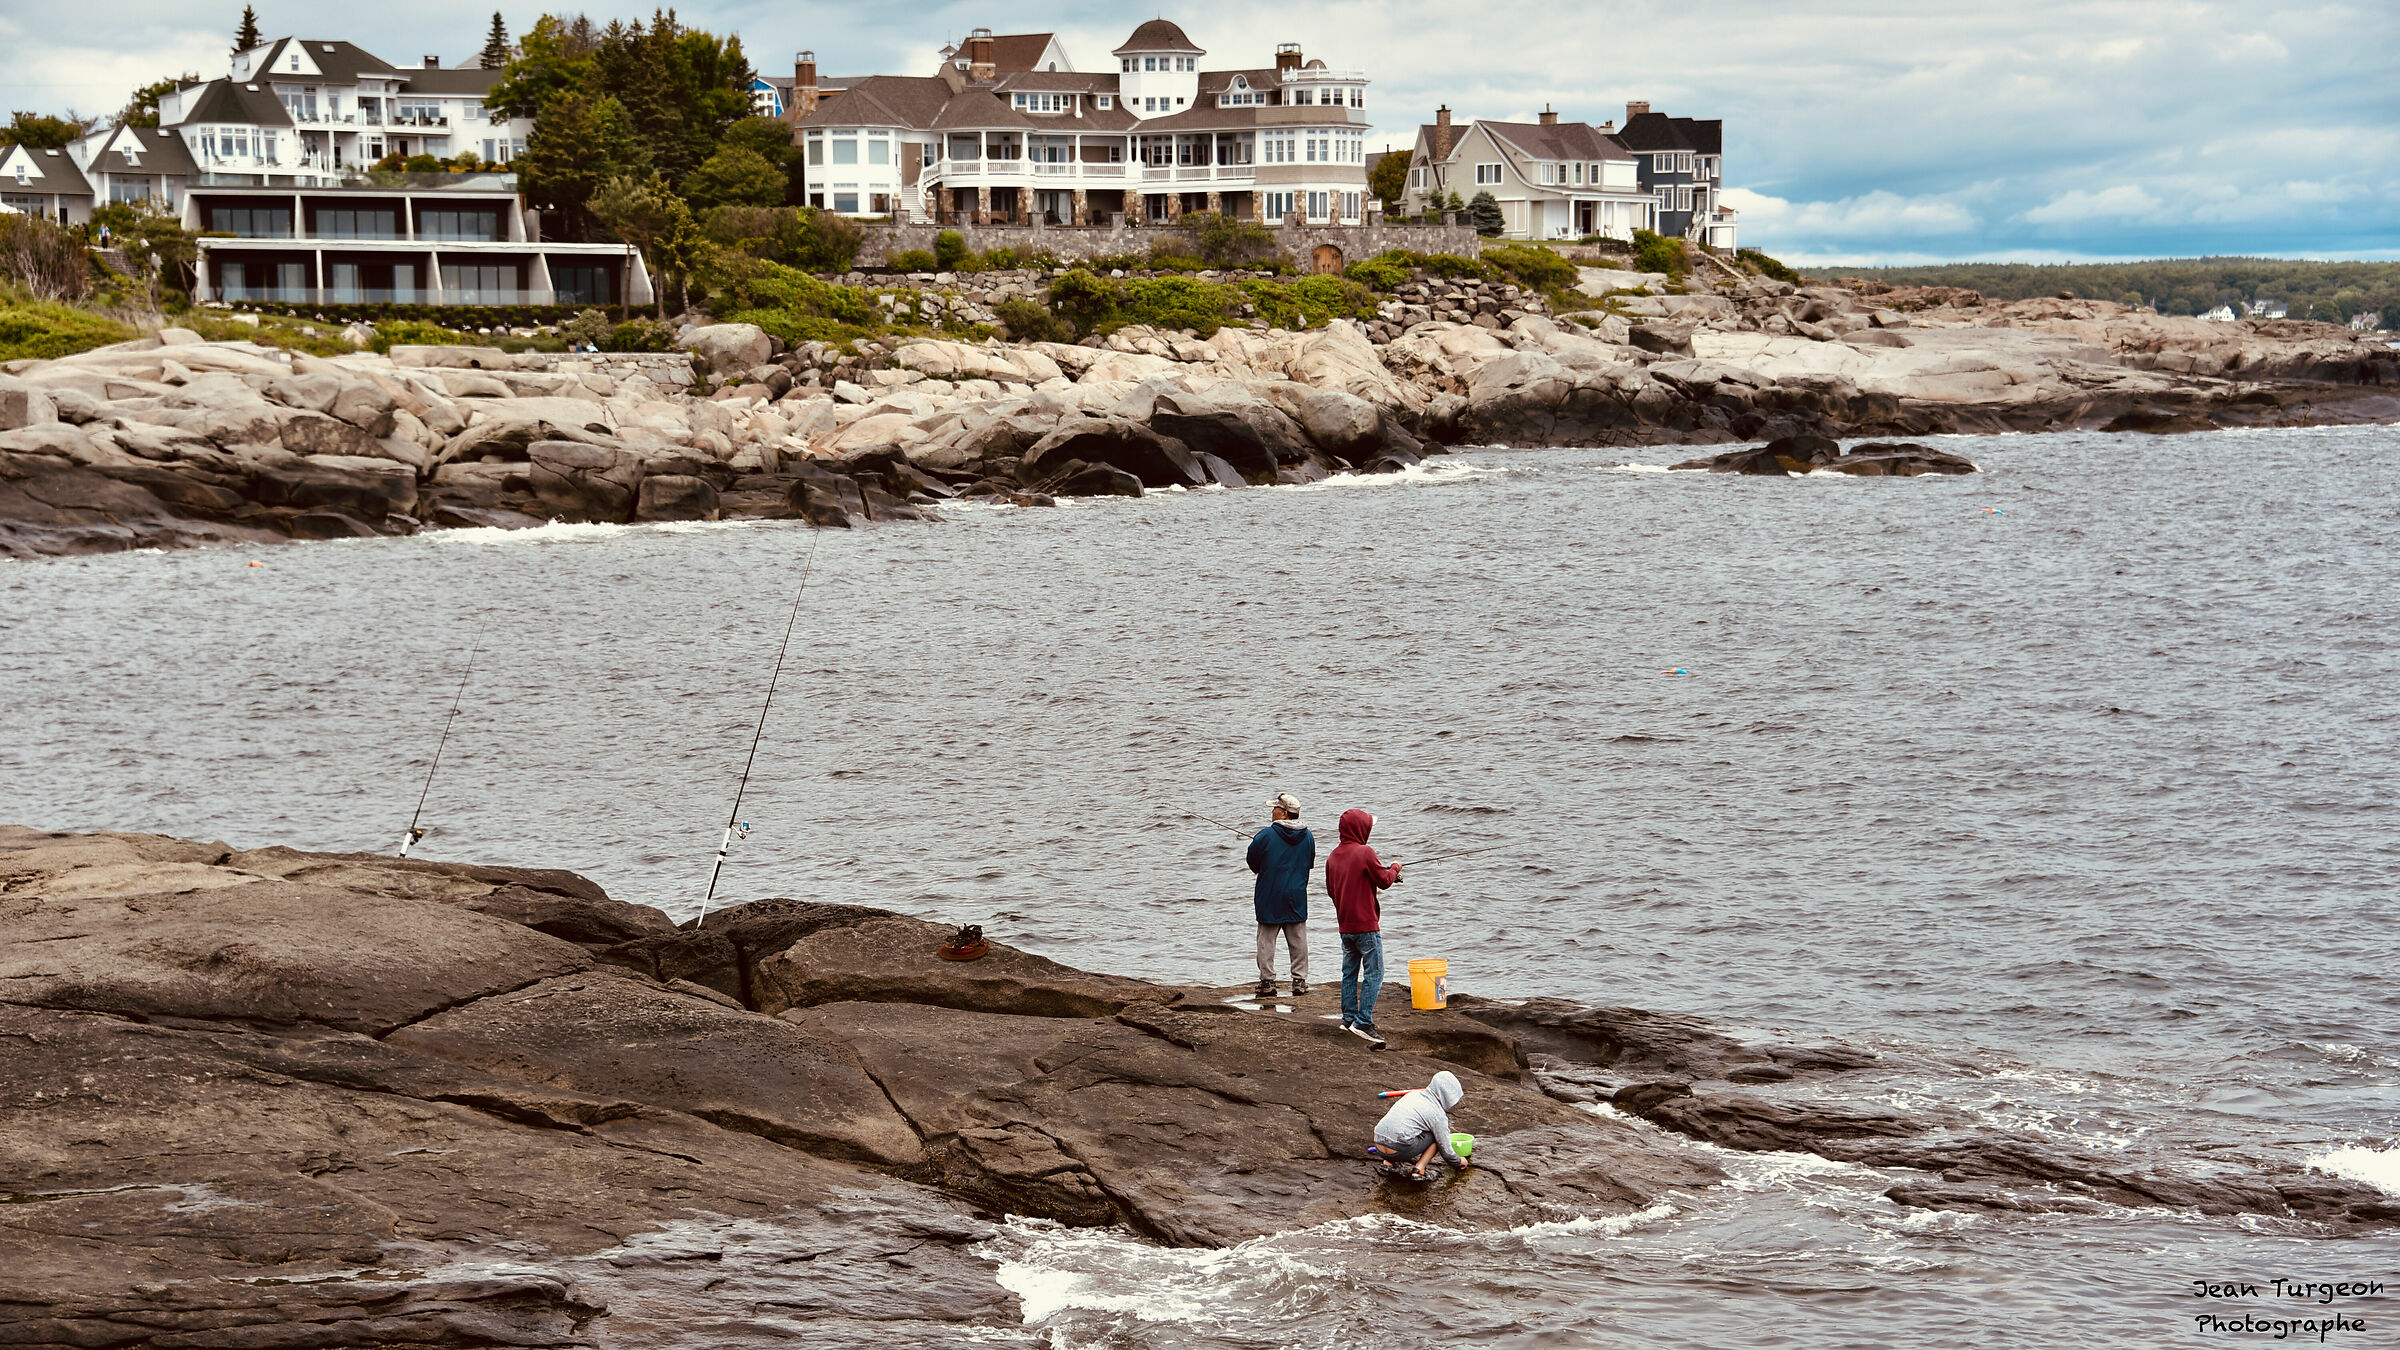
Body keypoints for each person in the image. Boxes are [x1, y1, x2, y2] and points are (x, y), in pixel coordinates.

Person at [1326, 807, 1401, 1048]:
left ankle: (1348, 1019)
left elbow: (1331, 891)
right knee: (1374, 973)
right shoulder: (1365, 852)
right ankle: (1363, 1022)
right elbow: (1385, 880)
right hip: (1366, 926)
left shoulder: (1332, 857)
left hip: (1345, 926)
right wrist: (1395, 868)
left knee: (1349, 973)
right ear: (1360, 829)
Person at [1245, 791, 1314, 998]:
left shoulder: (1265, 835)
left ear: (1284, 813)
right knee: (1298, 940)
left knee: (1266, 940)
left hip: (1270, 895)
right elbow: (1309, 862)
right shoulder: (1308, 836)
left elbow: (1253, 863)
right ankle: (1299, 981)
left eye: (1275, 808)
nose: (1272, 811)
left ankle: (1267, 982)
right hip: (1296, 895)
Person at [1370, 1071, 1468, 1179]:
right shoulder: (1437, 1114)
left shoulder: (1413, 1094)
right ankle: (1419, 1170)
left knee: (1406, 1127)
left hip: (1378, 1144)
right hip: (1398, 1150)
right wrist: (1458, 1162)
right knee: (1436, 1137)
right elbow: (1446, 1151)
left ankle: (1388, 1163)